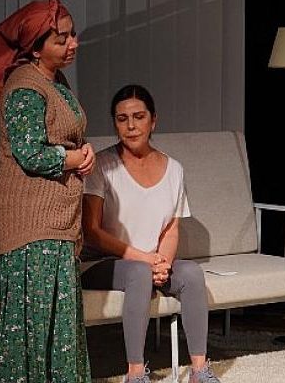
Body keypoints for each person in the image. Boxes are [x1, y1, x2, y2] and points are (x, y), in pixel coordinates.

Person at [81, 85, 221, 383]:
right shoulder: (102, 165)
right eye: (122, 119)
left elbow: (170, 228)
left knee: (191, 273)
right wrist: (145, 260)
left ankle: (199, 370)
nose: (131, 126)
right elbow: (91, 232)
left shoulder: (174, 169)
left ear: (153, 120)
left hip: (149, 262)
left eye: (139, 117)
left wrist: (163, 264)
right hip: (103, 263)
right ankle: (135, 373)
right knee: (138, 273)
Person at [0, 0, 92, 383]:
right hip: (29, 218)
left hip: (56, 215)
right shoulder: (25, 88)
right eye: (61, 39)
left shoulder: (55, 82)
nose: (72, 43)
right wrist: (73, 158)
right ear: (35, 48)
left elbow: (64, 135)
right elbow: (30, 153)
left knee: (61, 325)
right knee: (33, 325)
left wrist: (83, 152)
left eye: (72, 34)